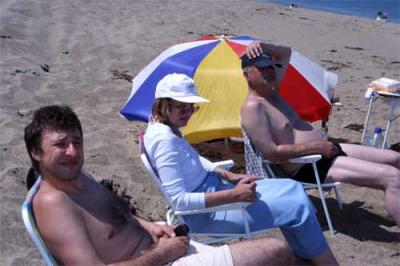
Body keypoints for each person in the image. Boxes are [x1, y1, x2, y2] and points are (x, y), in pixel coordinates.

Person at [24, 105, 296, 265]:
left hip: (164, 250)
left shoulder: (78, 177)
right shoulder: (52, 203)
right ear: (36, 152)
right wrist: (163, 254)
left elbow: (114, 215)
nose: (73, 152)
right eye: (60, 144)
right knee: (277, 251)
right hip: (160, 260)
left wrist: (150, 225)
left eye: (77, 142)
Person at [143, 73, 338, 265]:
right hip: (209, 213)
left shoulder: (164, 127)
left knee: (292, 188)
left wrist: (230, 175)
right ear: (164, 105)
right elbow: (180, 201)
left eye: (190, 107)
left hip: (217, 191)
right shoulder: (164, 140)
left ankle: (307, 256)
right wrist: (235, 195)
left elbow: (194, 159)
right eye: (180, 107)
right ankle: (324, 261)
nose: (188, 113)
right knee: (297, 205)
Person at [240, 41, 400, 227]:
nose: (269, 71)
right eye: (262, 69)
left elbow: (285, 53)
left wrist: (262, 46)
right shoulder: (253, 108)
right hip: (308, 166)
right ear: (247, 75)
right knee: (392, 178)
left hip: (325, 150)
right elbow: (272, 153)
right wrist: (316, 146)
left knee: (395, 158)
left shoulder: (273, 91)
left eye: (270, 67)